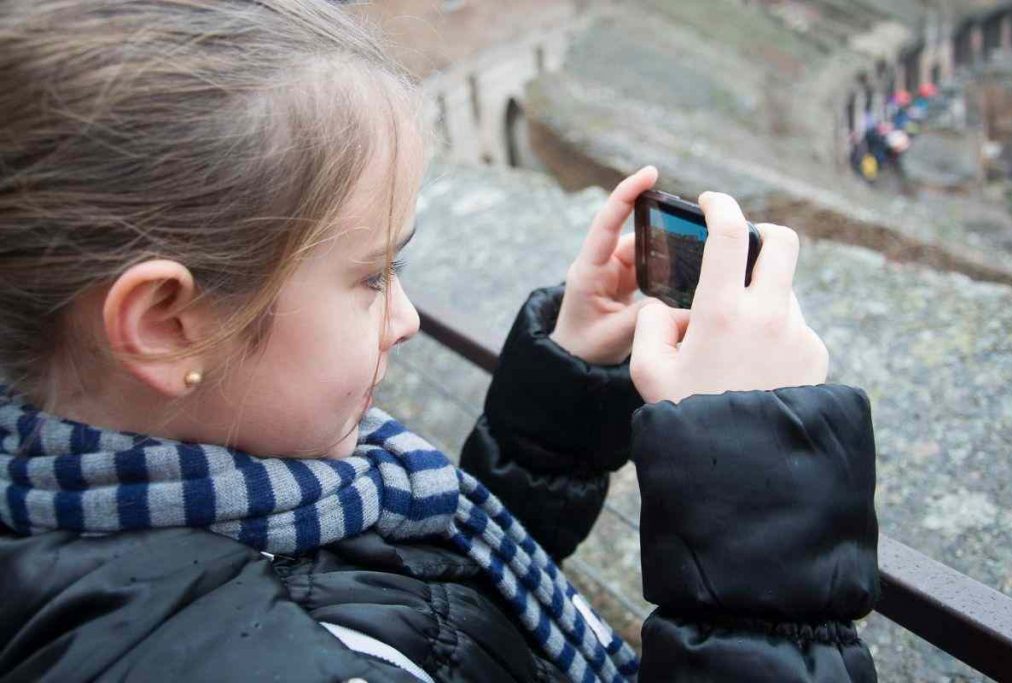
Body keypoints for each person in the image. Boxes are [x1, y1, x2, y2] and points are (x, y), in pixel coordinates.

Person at [0, 2, 880, 681]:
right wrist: (760, 501)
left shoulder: (188, 484)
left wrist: (566, 390)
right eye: (373, 274)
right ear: (165, 322)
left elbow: (423, 604)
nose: (407, 317)